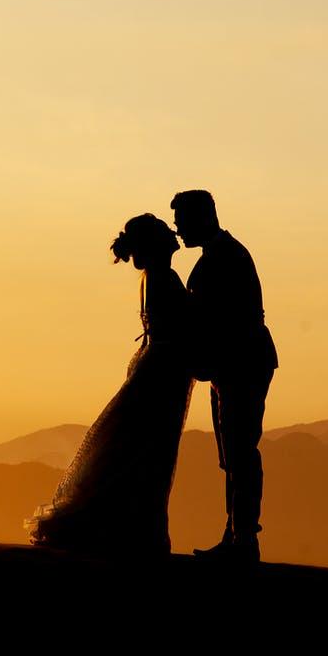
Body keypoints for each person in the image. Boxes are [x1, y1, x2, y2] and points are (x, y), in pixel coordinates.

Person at [29, 214, 195, 555]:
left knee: (133, 448)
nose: (174, 241)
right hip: (163, 370)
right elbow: (181, 324)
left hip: (155, 365)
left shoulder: (152, 277)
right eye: (166, 237)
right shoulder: (164, 276)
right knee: (148, 451)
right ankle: (136, 530)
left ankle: (131, 528)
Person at [171, 189, 277, 564]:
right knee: (231, 453)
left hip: (242, 364)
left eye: (181, 220)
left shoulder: (229, 256)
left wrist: (205, 358)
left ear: (202, 216)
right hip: (228, 367)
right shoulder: (216, 256)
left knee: (240, 450)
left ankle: (244, 539)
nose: (177, 229)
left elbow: (234, 319)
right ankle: (236, 535)